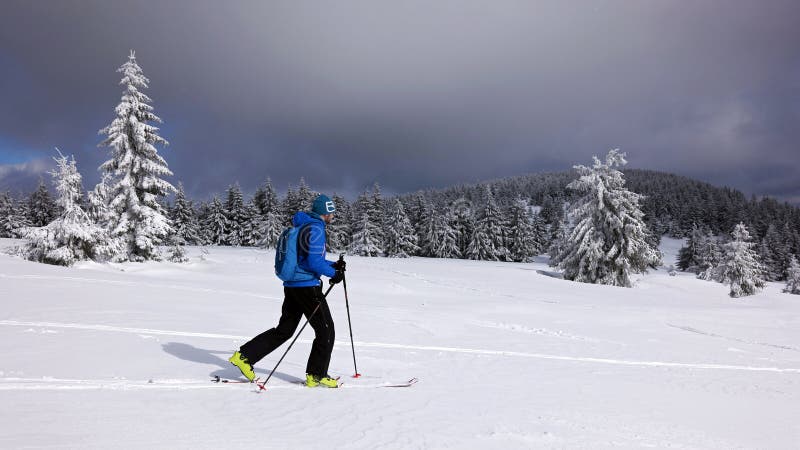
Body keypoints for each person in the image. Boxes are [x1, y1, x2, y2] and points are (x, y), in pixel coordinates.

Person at [228, 194, 346, 387]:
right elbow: (313, 262)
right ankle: (316, 375)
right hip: (307, 287)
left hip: (292, 287)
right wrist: (333, 274)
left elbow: (304, 259)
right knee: (326, 330)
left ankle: (244, 356)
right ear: (325, 213)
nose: (333, 216)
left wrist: (333, 265)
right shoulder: (316, 229)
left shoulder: (303, 226)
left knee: (284, 330)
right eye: (331, 212)